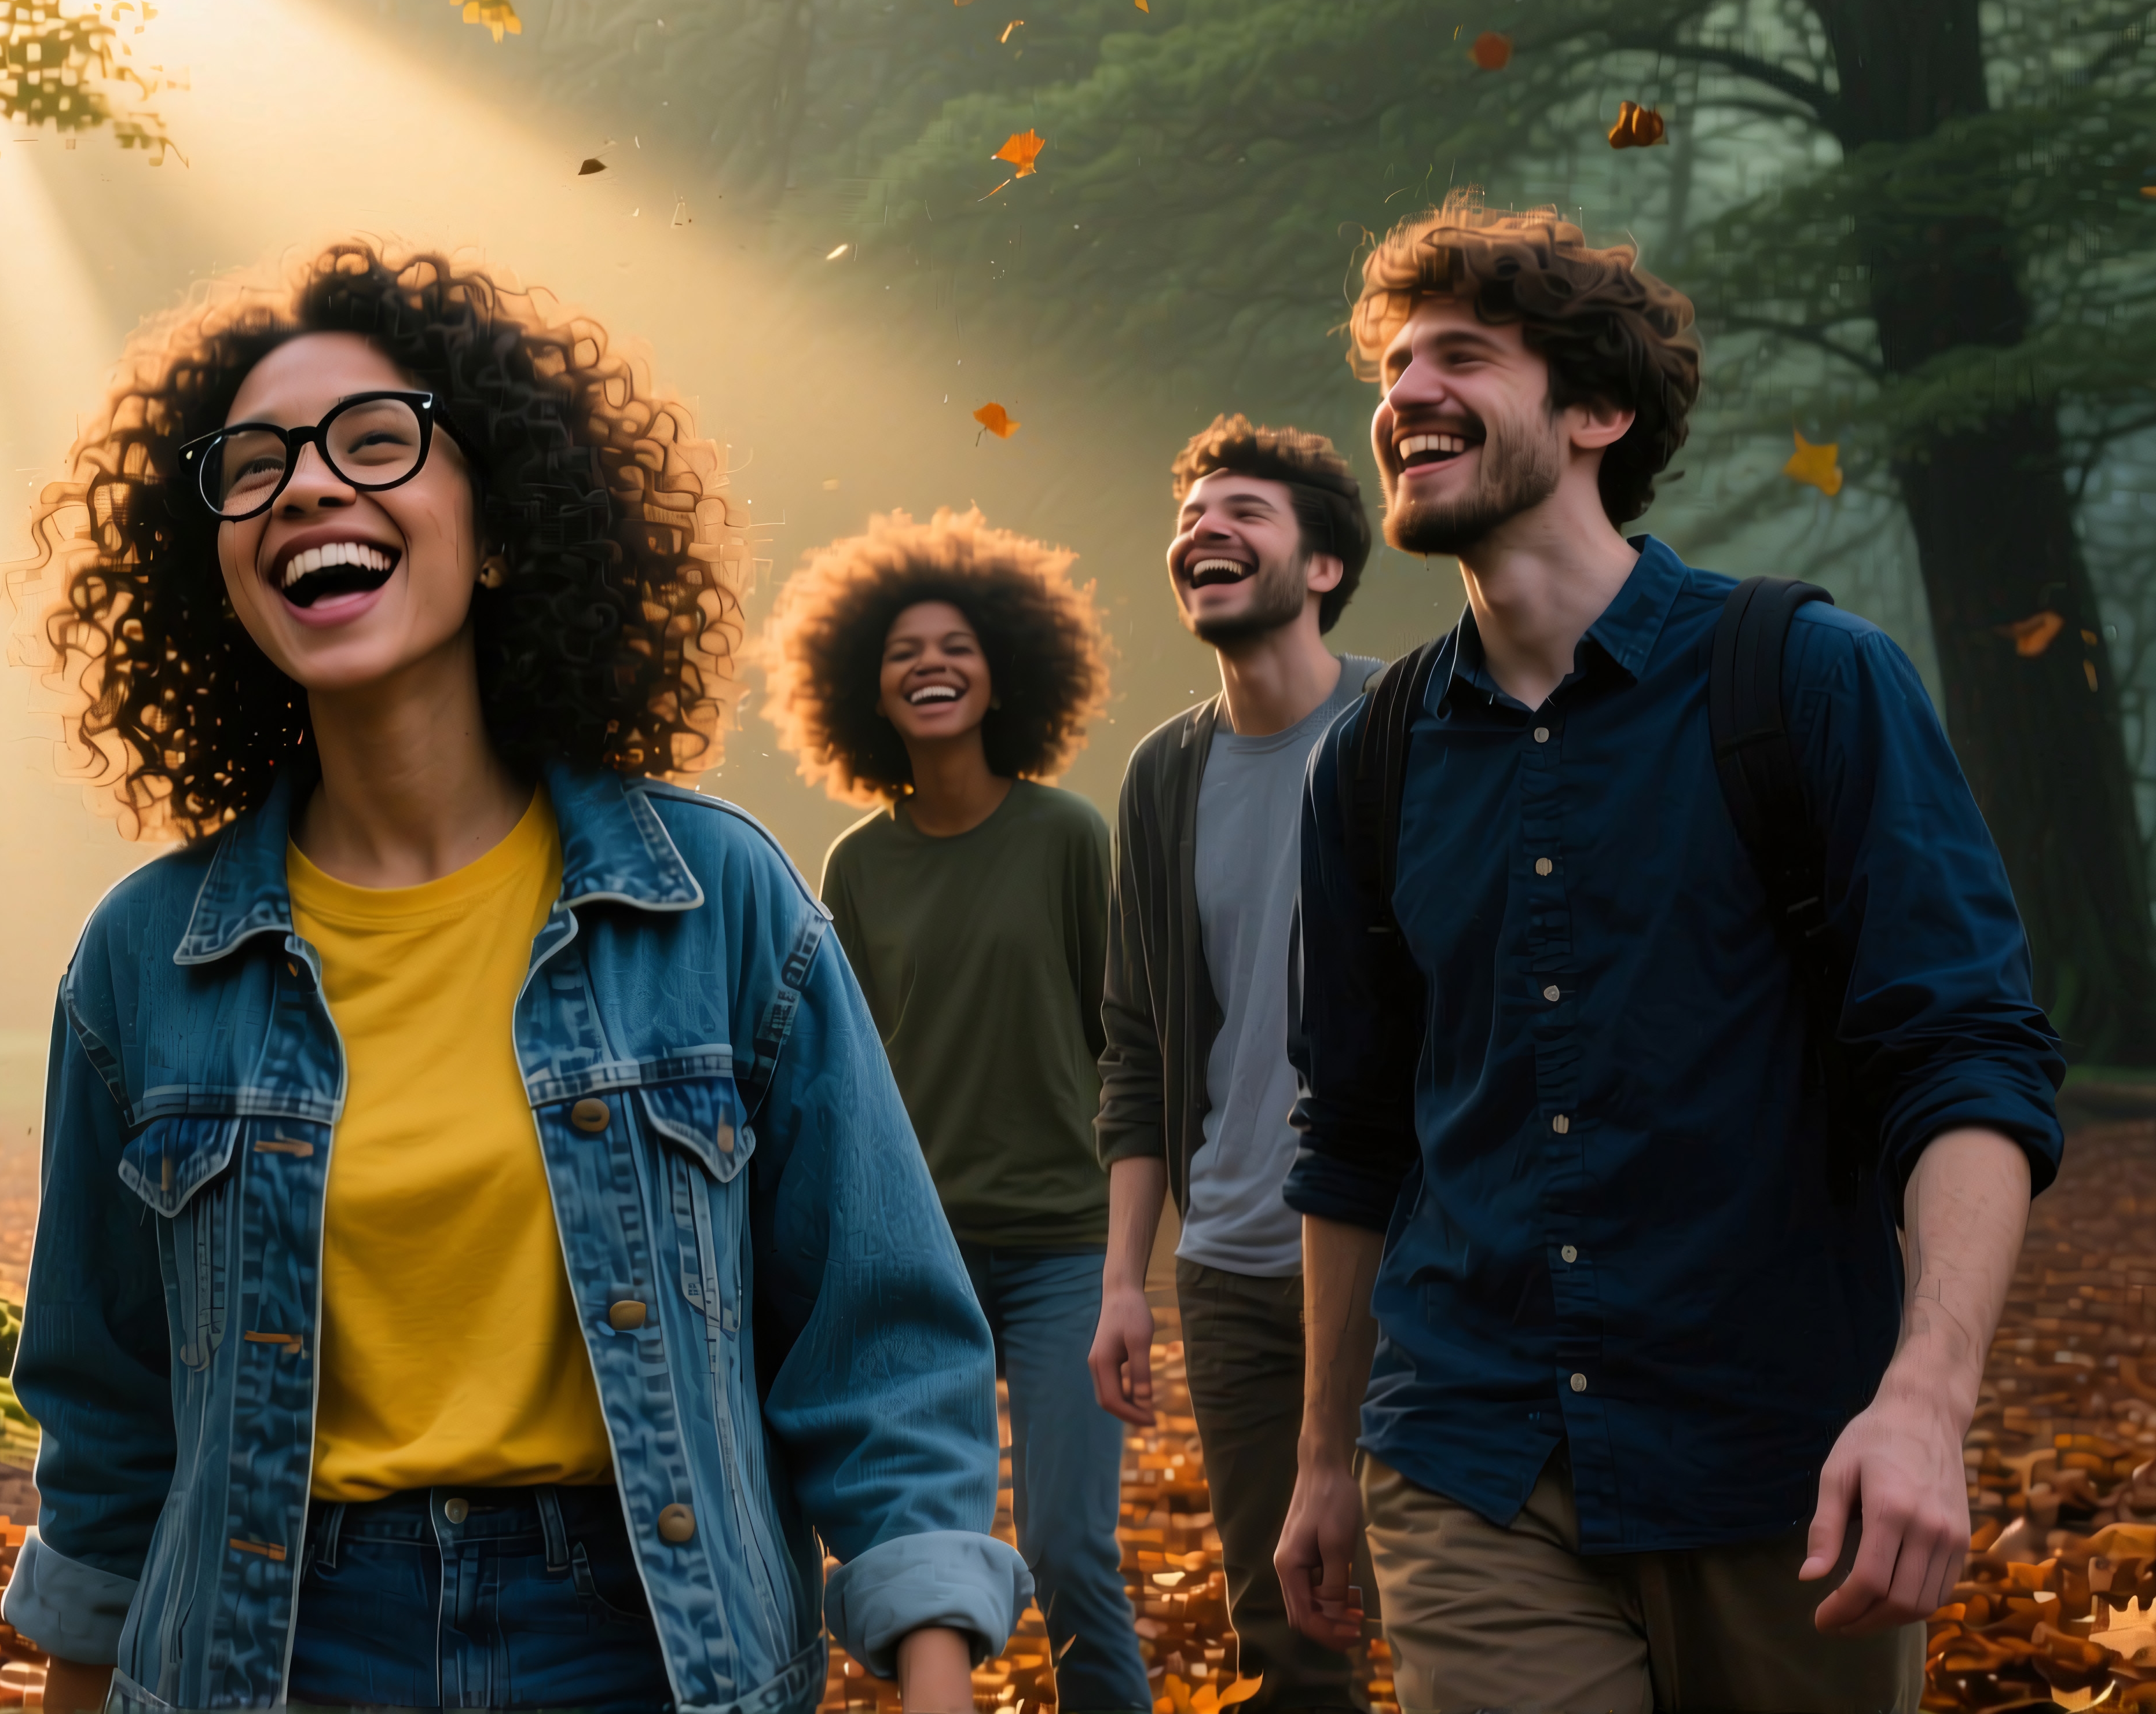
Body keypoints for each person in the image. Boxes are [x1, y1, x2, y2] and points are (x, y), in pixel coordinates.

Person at [6, 243, 1028, 1714]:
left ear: (496, 524)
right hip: (270, 1646)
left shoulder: (718, 901)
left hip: (647, 1641)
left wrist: (935, 1678)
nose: (305, 488)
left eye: (375, 444)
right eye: (254, 467)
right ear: (217, 566)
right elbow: (108, 1422)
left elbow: (882, 1342)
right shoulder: (144, 958)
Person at [1271, 197, 2064, 1712]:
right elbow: (1358, 1139)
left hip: (1784, 1457)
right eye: (1392, 364)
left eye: (1463, 357)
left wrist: (1926, 1400)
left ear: (1598, 410)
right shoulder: (1368, 763)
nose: (1404, 395)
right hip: (1468, 1456)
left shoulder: (1809, 680)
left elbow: (1965, 1051)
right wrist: (1322, 1460)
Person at [765, 508, 1145, 1712]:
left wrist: (1136, 1255)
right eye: (902, 652)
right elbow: (842, 1085)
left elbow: (1126, 1044)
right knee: (911, 1548)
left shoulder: (1069, 837)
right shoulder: (855, 869)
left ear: (1006, 674)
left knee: (1074, 1555)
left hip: (1059, 1251)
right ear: (862, 691)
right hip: (911, 1255)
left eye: (958, 647)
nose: (931, 665)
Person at [1088, 418, 1377, 1714]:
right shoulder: (1166, 770)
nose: (1205, 529)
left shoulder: (1406, 726)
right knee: (1289, 1630)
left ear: (1323, 564)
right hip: (1233, 1268)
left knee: (1435, 1600)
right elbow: (1140, 1043)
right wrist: (1126, 1283)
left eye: (1245, 512)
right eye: (1193, 513)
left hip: (1402, 1260)